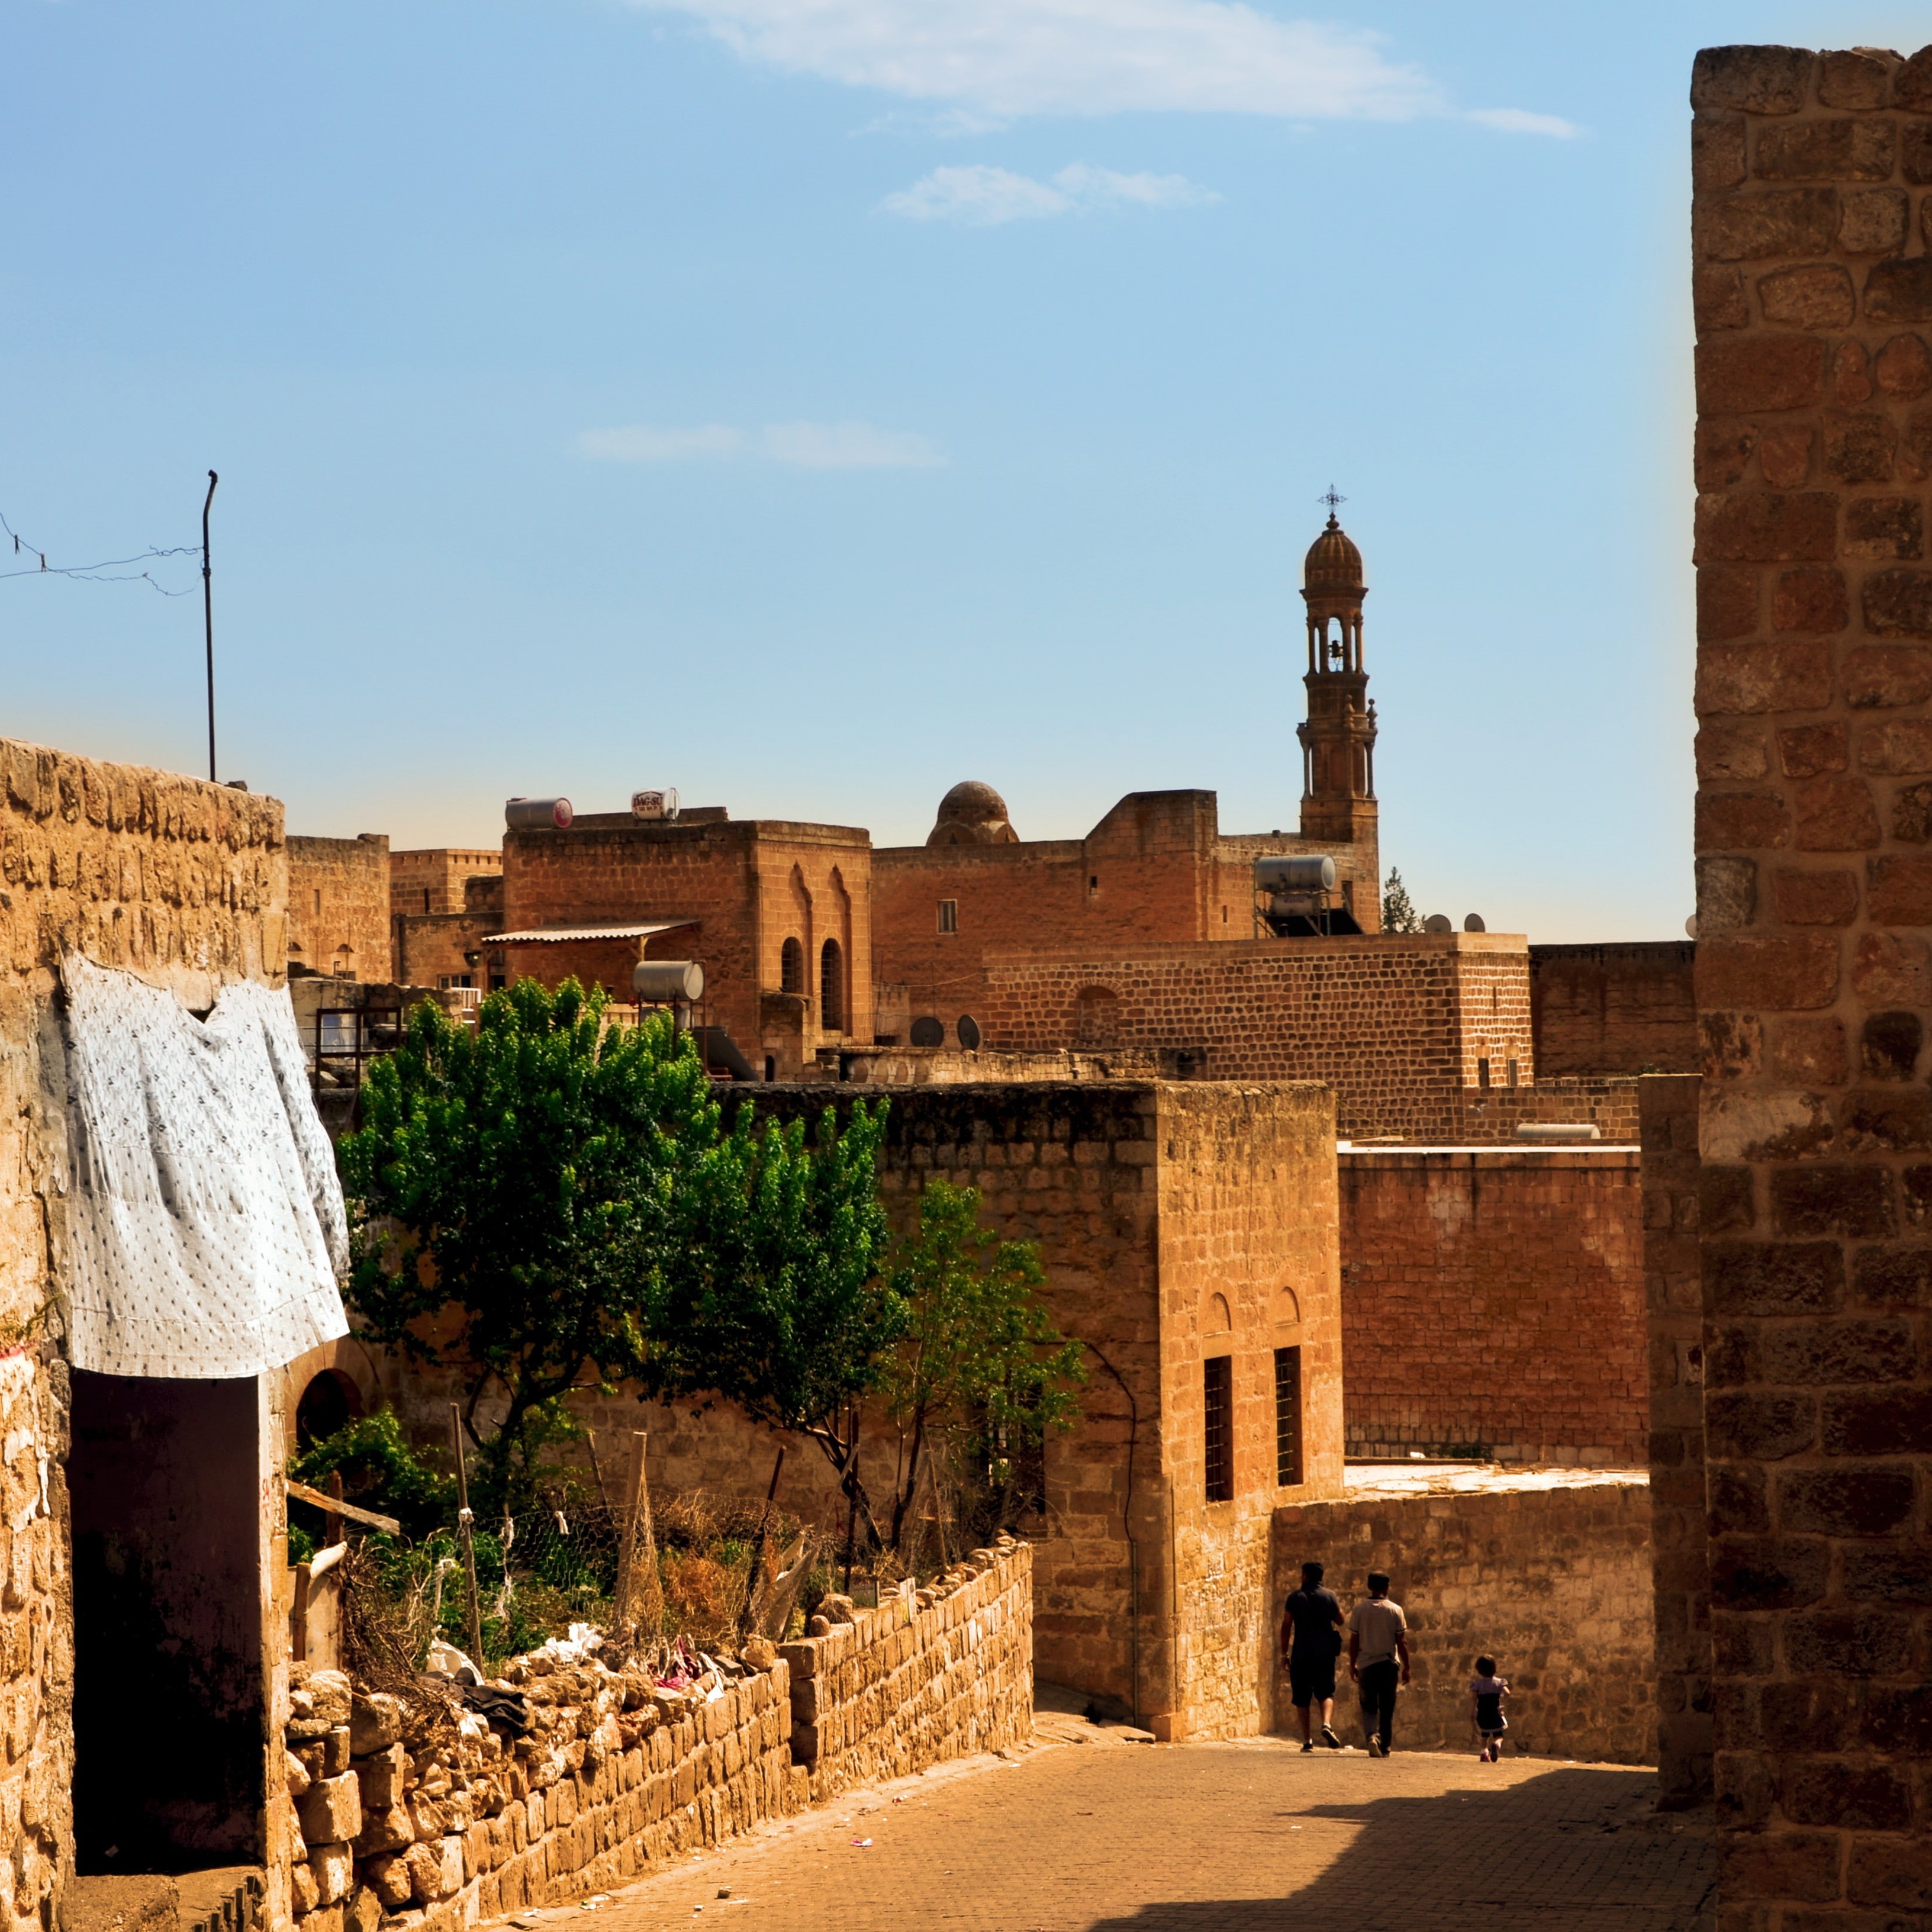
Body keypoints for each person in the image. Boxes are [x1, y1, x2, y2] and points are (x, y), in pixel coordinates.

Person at [1279, 1560, 1344, 1751]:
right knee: (1326, 1692)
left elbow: (1286, 1625)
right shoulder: (1329, 1596)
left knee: (1302, 1697)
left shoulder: (1295, 1598)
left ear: (1305, 1576)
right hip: (1325, 1653)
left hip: (1301, 1653)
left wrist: (1285, 1654)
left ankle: (1307, 1741)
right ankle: (1326, 1724)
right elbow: (1341, 1621)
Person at [1347, 1570, 1411, 1757]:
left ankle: (1372, 1736)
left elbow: (1354, 1640)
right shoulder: (1395, 1610)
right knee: (1387, 1706)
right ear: (1387, 1587)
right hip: (1389, 1664)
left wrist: (1353, 1664)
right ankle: (1386, 1747)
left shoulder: (1359, 1610)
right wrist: (1407, 1667)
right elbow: (1401, 1641)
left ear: (1369, 1586)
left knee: (1368, 1706)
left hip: (1366, 1665)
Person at [1470, 1654, 1510, 1762]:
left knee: (1485, 1734)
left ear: (1479, 1670)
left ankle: (1484, 1753)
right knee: (1499, 1735)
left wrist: (1472, 1713)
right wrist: (1503, 1703)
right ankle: (1496, 1745)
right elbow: (1507, 1693)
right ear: (1494, 1668)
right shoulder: (1499, 1682)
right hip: (1495, 1713)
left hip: (1482, 1714)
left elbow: (1473, 1699)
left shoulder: (1478, 1685)